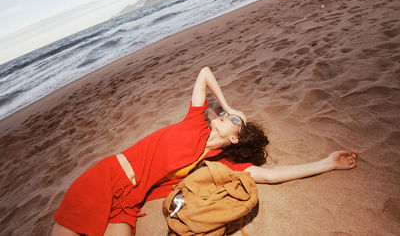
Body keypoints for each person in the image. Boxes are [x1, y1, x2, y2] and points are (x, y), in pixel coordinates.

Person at [51, 67, 357, 236]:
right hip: (106, 178)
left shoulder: (217, 163)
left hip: (128, 204)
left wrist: (328, 163)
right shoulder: (195, 121)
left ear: (236, 140)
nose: (225, 117)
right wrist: (227, 106)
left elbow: (272, 175)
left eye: (233, 120)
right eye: (226, 114)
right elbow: (204, 73)